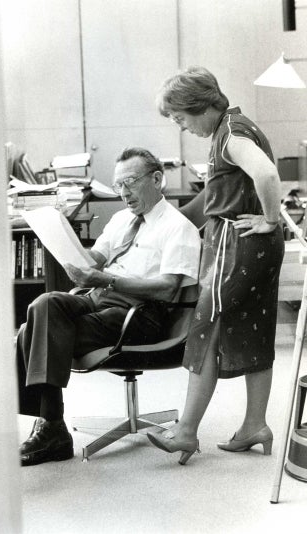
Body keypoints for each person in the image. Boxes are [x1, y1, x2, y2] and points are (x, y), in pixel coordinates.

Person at [17, 146, 201, 466]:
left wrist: (107, 281)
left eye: (130, 181)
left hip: (141, 312)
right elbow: (94, 261)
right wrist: (66, 249)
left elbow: (168, 288)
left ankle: (52, 427)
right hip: (98, 298)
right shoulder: (120, 220)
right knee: (44, 304)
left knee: (29, 333)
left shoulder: (177, 228)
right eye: (118, 185)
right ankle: (52, 428)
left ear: (157, 179)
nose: (123, 192)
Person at [147, 66, 284, 465]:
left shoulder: (232, 135)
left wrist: (271, 217)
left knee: (207, 328)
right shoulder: (235, 126)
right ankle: (255, 425)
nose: (180, 126)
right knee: (254, 328)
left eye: (180, 118)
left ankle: (186, 431)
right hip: (257, 245)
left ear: (198, 105)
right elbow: (224, 191)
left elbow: (267, 174)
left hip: (240, 243)